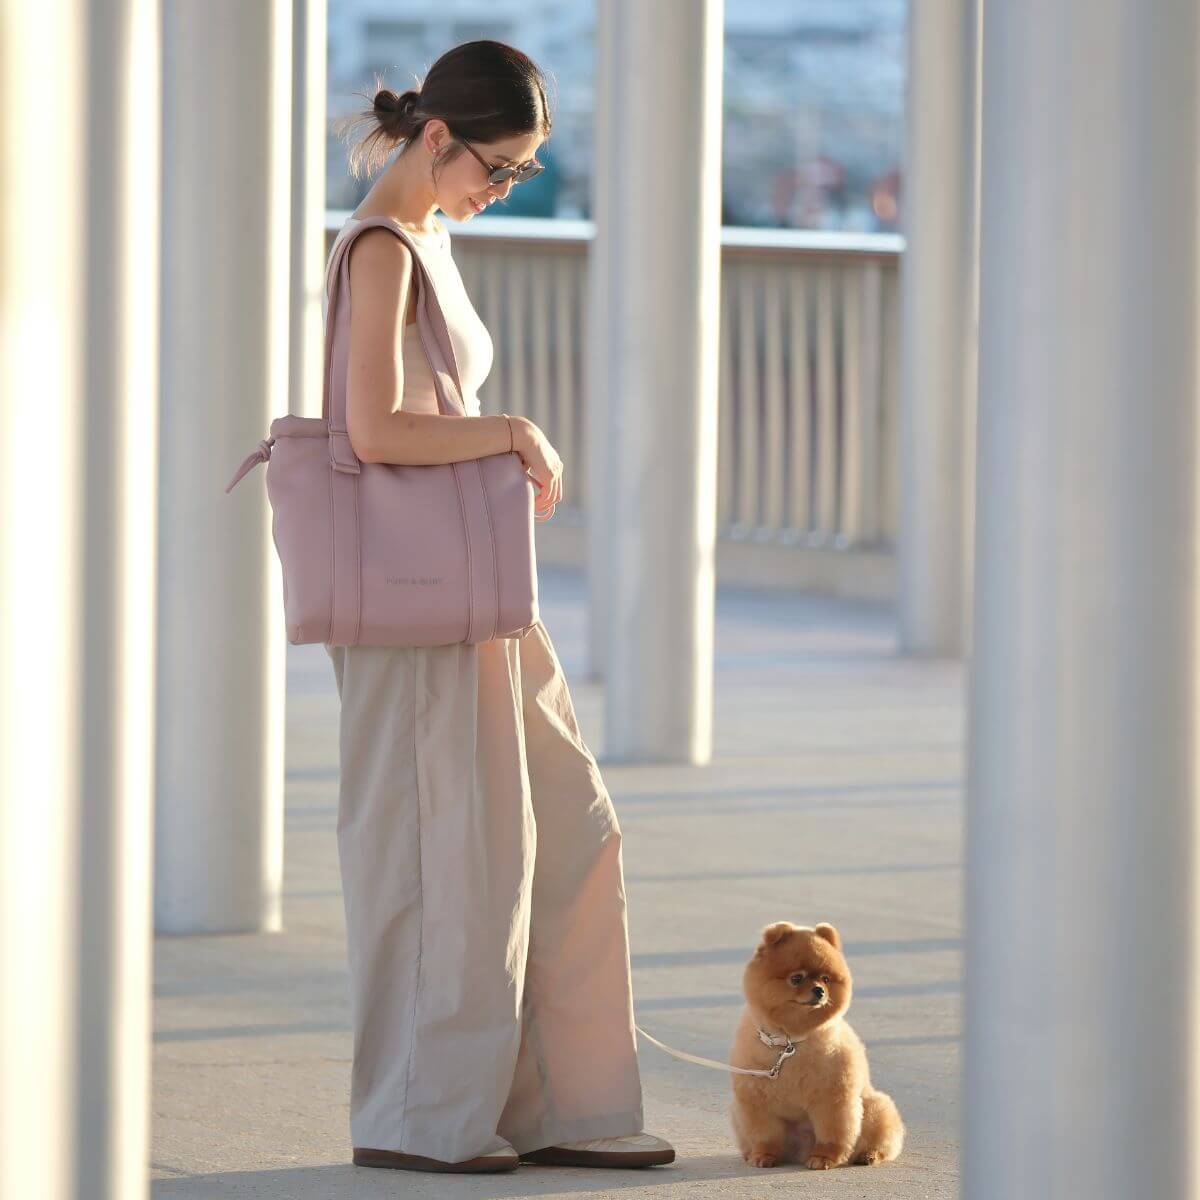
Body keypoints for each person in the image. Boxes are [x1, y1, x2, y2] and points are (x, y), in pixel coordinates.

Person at [323, 40, 675, 1174]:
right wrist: (512, 430)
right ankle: (421, 1119)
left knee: (567, 829)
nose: (506, 187)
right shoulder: (380, 246)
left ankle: (560, 1105)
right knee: (447, 858)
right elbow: (373, 429)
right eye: (500, 166)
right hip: (421, 596)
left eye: (523, 172)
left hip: (475, 583)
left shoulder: (427, 235)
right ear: (438, 137)